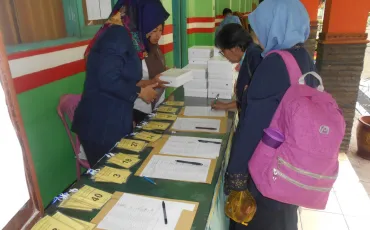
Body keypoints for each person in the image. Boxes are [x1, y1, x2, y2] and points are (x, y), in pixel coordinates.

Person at [225, 0, 317, 229]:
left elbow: (253, 127)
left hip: (269, 171)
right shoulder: (304, 57)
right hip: (293, 166)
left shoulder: (274, 63)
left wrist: (235, 174)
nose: (257, 35)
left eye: (260, 27)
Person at [72, 0, 169, 166]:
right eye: (153, 22)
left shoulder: (130, 35)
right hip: (101, 124)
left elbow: (121, 75)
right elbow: (108, 79)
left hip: (113, 118)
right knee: (108, 177)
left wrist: (147, 83)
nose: (155, 28)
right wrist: (140, 92)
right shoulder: (117, 36)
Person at [212, 24, 262, 116]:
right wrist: (226, 106)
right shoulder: (249, 55)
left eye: (223, 51)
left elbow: (257, 98)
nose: (224, 56)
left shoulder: (254, 57)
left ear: (235, 48)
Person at [133, 23, 168, 125]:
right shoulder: (137, 53)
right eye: (154, 31)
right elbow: (131, 83)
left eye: (160, 30)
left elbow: (158, 69)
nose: (158, 35)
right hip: (141, 107)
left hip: (158, 102)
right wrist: (152, 82)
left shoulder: (156, 49)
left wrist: (169, 71)